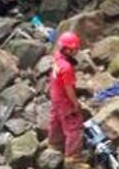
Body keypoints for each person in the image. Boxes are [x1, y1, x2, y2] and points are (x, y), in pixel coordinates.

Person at [49, 31, 85, 169]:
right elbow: (69, 88)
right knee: (74, 127)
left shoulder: (57, 58)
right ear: (68, 49)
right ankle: (73, 159)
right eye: (75, 49)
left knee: (56, 120)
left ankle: (55, 143)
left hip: (55, 96)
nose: (76, 51)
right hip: (64, 100)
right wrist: (75, 104)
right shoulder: (67, 67)